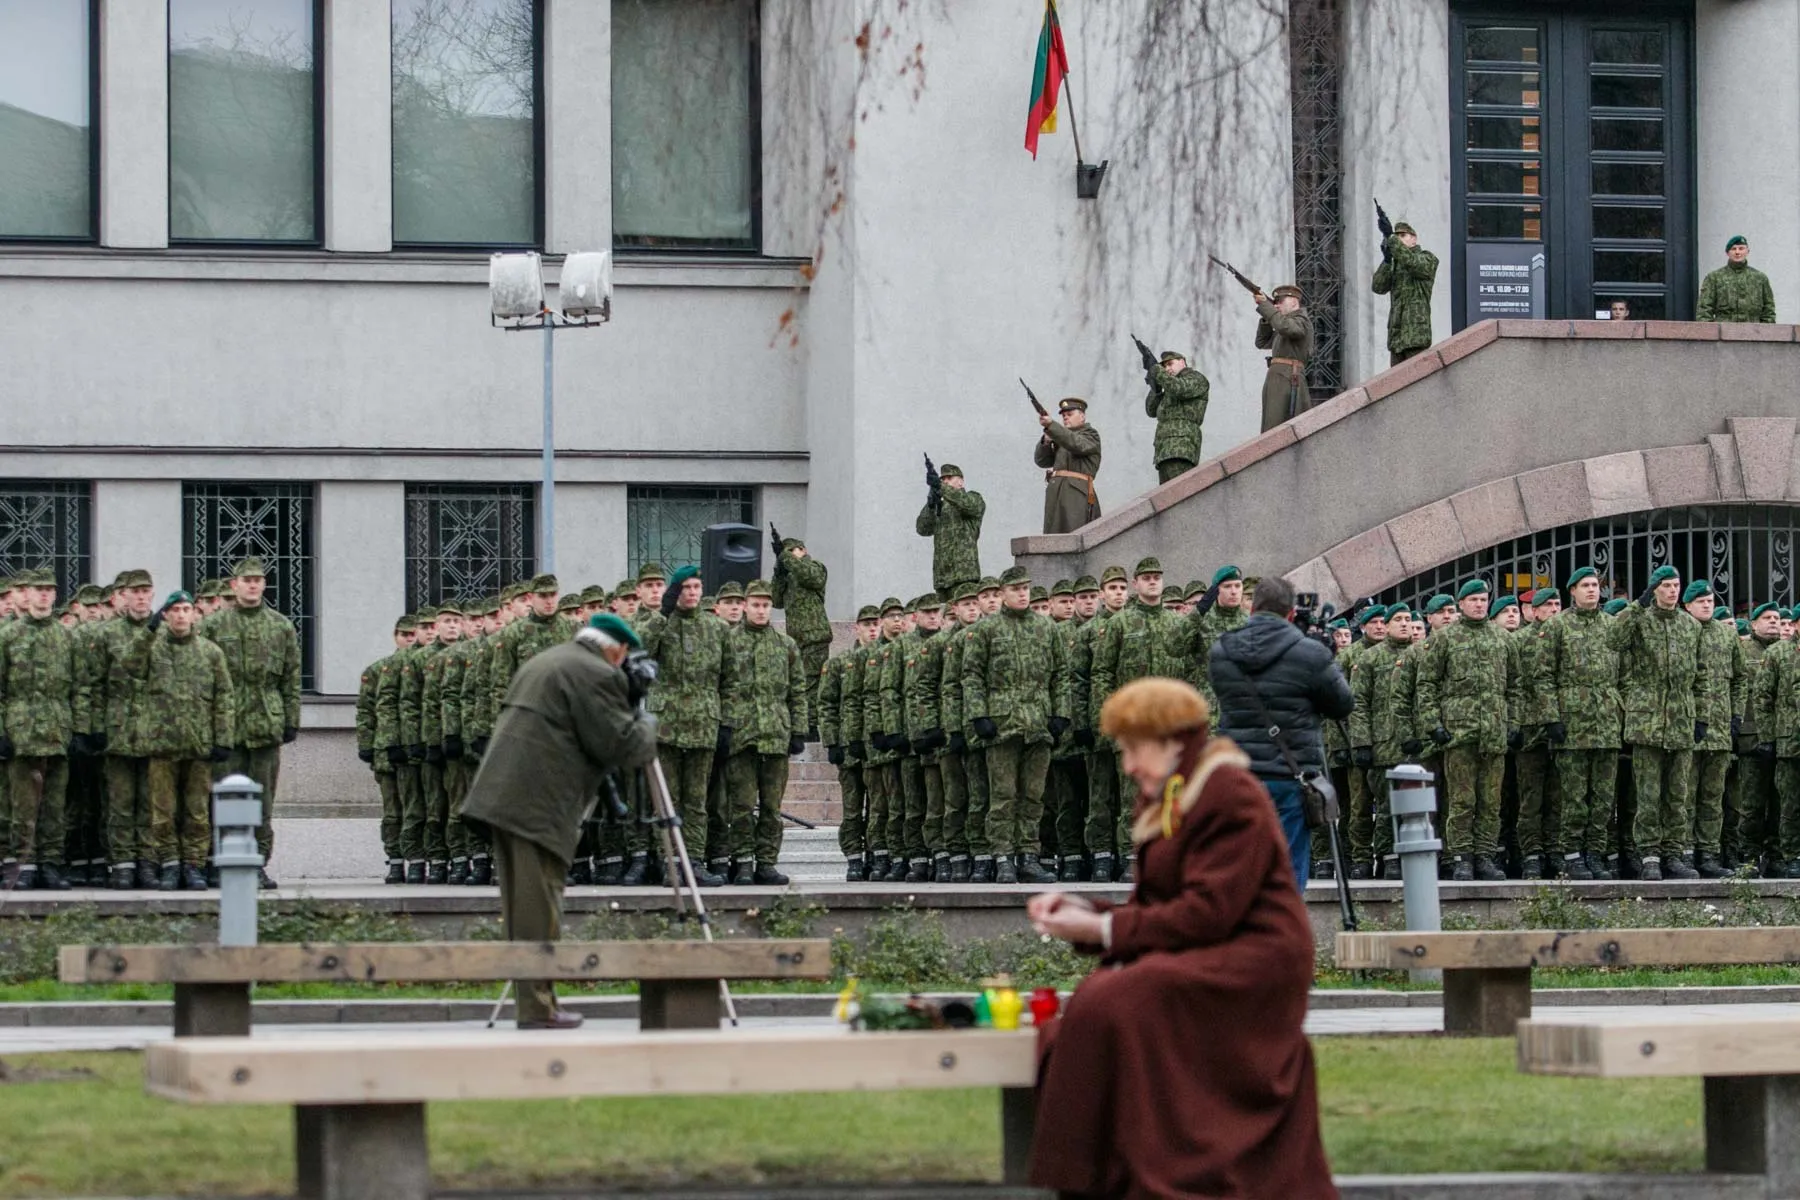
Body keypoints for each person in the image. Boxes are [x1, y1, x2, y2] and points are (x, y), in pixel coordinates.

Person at [1026, 676, 1337, 1198]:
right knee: (1096, 1003)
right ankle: (1100, 1176)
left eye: (1134, 749)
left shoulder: (1227, 791)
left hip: (1254, 959)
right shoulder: (1166, 797)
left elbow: (1210, 912)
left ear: (1173, 741)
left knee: (1116, 999)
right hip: (1208, 947)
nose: (1128, 765)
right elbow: (1159, 905)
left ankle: (1146, 1174)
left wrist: (1103, 928)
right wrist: (1085, 913)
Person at [462, 613, 658, 1030]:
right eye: (623, 657)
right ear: (615, 649)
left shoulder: (551, 659)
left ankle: (538, 1002)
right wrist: (646, 719)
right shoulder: (595, 673)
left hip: (505, 796)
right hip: (536, 805)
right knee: (538, 907)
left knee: (522, 906)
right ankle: (537, 1009)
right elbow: (621, 745)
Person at [1208, 576, 1354, 885]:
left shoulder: (1222, 651)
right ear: (1290, 613)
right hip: (1290, 774)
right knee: (1286, 871)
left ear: (1252, 609)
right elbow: (1342, 705)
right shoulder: (1309, 654)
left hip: (1237, 774)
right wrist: (1325, 655)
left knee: (1241, 866)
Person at [963, 565, 1068, 884]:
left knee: (1033, 795)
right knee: (1003, 795)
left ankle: (1028, 857)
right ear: (1003, 593)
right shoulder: (986, 629)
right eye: (1016, 589)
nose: (1022, 594)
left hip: (1038, 723)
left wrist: (1061, 713)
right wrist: (979, 716)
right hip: (1002, 725)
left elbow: (1061, 674)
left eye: (1025, 588)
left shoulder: (1046, 627)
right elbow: (971, 675)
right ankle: (1003, 857)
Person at [200, 558, 301, 889]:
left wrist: (291, 720)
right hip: (226, 728)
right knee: (222, 797)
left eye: (258, 580)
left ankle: (257, 861)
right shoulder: (214, 626)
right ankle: (220, 860)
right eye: (247, 580)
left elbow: (291, 678)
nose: (253, 585)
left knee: (263, 800)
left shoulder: (280, 626)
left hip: (265, 724)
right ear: (234, 585)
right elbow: (203, 680)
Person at [126, 591, 233, 891]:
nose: (182, 615)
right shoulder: (154, 649)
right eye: (175, 610)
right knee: (162, 812)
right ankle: (170, 864)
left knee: (197, 812)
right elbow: (130, 665)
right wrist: (148, 631)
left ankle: (194, 865)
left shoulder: (210, 652)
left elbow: (224, 698)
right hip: (162, 745)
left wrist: (223, 738)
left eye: (187, 609)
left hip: (199, 746)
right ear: (166, 615)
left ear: (195, 614)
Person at [638, 564, 733, 886]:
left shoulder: (717, 628)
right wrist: (662, 613)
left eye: (696, 587)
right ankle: (669, 862)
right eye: (685, 588)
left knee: (696, 803)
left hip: (703, 725)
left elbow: (730, 680)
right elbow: (639, 650)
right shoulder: (660, 623)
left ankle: (693, 862)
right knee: (667, 801)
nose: (691, 593)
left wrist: (727, 724)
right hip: (666, 726)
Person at [1616, 566, 1705, 881]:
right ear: (1654, 589)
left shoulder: (1690, 625)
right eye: (1666, 585)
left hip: (1681, 719)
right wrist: (1636, 606)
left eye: (1676, 585)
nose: (1672, 590)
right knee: (1648, 795)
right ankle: (1649, 856)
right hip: (1647, 721)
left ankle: (1673, 855)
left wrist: (1702, 716)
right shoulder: (1640, 620)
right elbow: (1614, 639)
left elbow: (1701, 673)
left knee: (1678, 795)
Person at [721, 580, 807, 885]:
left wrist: (799, 730)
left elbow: (797, 690)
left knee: (772, 807)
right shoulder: (729, 642)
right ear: (745, 606)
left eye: (765, 605)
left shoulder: (786, 645)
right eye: (755, 605)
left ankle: (767, 862)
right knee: (741, 806)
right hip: (741, 737)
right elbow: (720, 688)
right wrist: (723, 728)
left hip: (775, 736)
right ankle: (743, 862)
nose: (760, 610)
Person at [0, 567, 78, 890]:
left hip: (58, 730)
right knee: (23, 806)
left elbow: (78, 687)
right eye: (38, 589)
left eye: (49, 589)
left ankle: (50, 864)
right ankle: (24, 864)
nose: (44, 594)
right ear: (27, 594)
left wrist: (78, 729)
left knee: (54, 806)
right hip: (22, 732)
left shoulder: (65, 636)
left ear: (55, 595)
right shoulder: (8, 636)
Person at [770, 536, 830, 738]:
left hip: (815, 635)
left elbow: (811, 578)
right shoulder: (789, 574)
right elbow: (776, 600)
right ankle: (802, 723)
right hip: (795, 639)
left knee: (811, 682)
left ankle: (811, 727)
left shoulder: (815, 567)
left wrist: (785, 557)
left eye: (791, 551)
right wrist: (779, 571)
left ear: (802, 550)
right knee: (798, 683)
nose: (786, 556)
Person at [1371, 221, 1439, 366]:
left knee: (1418, 377)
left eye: (1403, 235)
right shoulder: (1395, 264)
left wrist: (1391, 238)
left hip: (1416, 336)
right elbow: (1378, 287)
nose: (1399, 239)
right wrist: (1387, 261)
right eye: (1397, 236)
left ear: (1414, 239)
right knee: (1396, 379)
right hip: (1397, 337)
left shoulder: (1427, 258)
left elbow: (1412, 263)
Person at [915, 463, 985, 594]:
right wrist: (930, 504)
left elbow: (967, 504)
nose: (945, 481)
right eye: (942, 479)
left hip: (965, 576)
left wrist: (941, 487)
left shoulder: (974, 498)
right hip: (942, 579)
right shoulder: (940, 506)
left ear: (961, 482)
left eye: (949, 478)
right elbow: (922, 528)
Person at [1034, 397, 1102, 534]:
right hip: (1056, 492)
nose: (1065, 418)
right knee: (1053, 536)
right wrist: (1046, 441)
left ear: (1082, 416)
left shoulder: (1090, 434)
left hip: (1076, 494)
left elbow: (1076, 444)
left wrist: (1052, 426)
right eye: (1064, 415)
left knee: (1074, 533)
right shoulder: (1061, 436)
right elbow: (1042, 461)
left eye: (1070, 414)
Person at [1254, 284, 1315, 431]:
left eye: (1281, 301)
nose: (1277, 305)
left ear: (1294, 302)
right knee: (1271, 425)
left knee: (1278, 427)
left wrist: (1266, 307)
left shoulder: (1301, 321)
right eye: (1275, 302)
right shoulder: (1284, 324)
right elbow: (1261, 342)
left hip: (1288, 378)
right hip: (1278, 377)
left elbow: (1288, 328)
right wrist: (1266, 316)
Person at [1142, 350, 1209, 483]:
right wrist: (1156, 388)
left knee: (1182, 492)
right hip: (1163, 453)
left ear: (1182, 362)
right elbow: (1151, 410)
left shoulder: (1195, 378)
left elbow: (1180, 389)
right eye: (1164, 366)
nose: (1167, 369)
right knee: (1167, 495)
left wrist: (1157, 370)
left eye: (1170, 364)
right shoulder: (1168, 387)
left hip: (1182, 451)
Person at [1697, 235, 1776, 323]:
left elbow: (1769, 310)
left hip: (1753, 329)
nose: (1737, 252)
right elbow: (1704, 310)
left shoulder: (1760, 278)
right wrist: (1711, 330)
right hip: (1724, 329)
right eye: (1733, 249)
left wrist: (1764, 329)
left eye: (1741, 248)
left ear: (1747, 251)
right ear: (1727, 253)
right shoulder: (1714, 278)